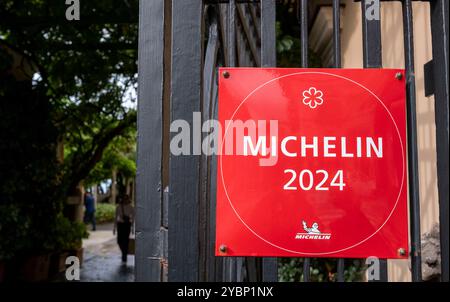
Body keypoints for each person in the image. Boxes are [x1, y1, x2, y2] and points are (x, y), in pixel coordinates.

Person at [113, 195, 134, 263]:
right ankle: (124, 252)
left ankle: (124, 254)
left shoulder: (131, 207)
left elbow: (133, 218)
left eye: (127, 199)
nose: (125, 200)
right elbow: (116, 217)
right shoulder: (118, 207)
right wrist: (114, 228)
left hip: (127, 225)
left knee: (126, 240)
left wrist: (132, 228)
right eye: (124, 199)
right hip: (120, 225)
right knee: (119, 240)